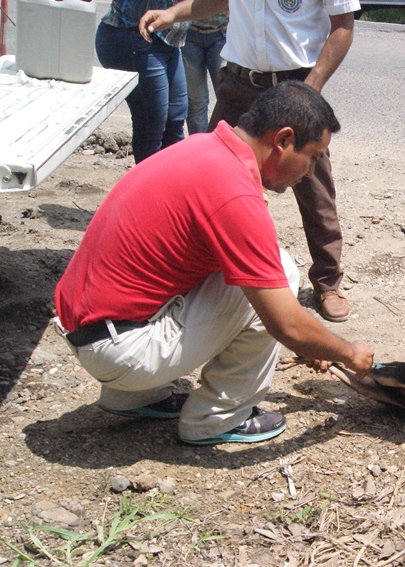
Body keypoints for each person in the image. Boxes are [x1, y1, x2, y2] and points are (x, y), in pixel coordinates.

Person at [53, 82, 374, 446]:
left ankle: (135, 396)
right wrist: (347, 352)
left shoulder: (203, 147)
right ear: (283, 140)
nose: (311, 171)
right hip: (121, 351)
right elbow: (285, 323)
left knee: (251, 271)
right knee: (280, 272)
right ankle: (216, 418)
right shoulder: (233, 192)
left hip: (89, 330)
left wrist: (314, 344)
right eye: (314, 156)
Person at [138, 0, 359, 323]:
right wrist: (174, 14)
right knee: (207, 174)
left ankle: (327, 281)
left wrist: (309, 90)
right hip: (240, 84)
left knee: (313, 186)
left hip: (296, 82)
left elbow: (343, 26)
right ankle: (186, 271)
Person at [95, 0, 188, 163]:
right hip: (133, 37)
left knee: (174, 123)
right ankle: (148, 187)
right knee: (151, 130)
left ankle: (170, 186)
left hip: (168, 42)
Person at [182, 13, 229, 136]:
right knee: (196, 103)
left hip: (222, 32)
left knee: (227, 99)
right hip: (189, 33)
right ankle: (199, 150)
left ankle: (227, 150)